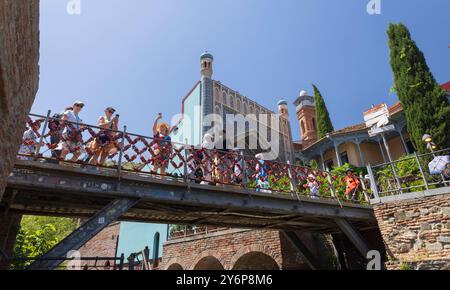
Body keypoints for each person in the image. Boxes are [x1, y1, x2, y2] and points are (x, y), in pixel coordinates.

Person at [58, 101, 85, 165]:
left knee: (79, 152)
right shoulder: (69, 112)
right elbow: (61, 122)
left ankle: (69, 165)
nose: (79, 107)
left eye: (81, 106)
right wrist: (64, 119)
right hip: (68, 133)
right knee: (65, 150)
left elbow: (81, 127)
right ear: (73, 106)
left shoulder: (79, 118)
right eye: (78, 105)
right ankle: (60, 166)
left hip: (77, 136)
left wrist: (82, 127)